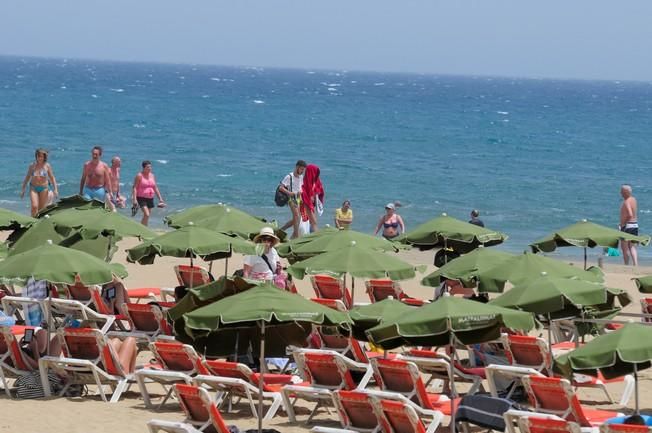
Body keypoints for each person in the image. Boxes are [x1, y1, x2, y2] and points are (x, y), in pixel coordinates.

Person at [20, 148, 59, 217]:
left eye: (42, 156)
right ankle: (32, 221)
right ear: (36, 156)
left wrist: (55, 189)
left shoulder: (47, 166)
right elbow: (27, 178)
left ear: (44, 157)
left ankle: (37, 223)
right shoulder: (32, 166)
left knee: (41, 209)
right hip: (33, 188)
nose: (40, 158)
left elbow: (52, 178)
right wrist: (23, 189)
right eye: (38, 156)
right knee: (34, 206)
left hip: (44, 188)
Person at [80, 145, 114, 211]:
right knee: (86, 208)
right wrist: (80, 191)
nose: (94, 156)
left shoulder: (104, 166)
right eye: (93, 154)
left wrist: (110, 192)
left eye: (96, 154)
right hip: (88, 190)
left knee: (98, 209)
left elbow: (107, 180)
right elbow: (83, 178)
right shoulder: (87, 165)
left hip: (99, 190)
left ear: (100, 155)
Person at [132, 160, 166, 226]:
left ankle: (144, 230)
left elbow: (155, 187)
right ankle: (142, 229)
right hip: (141, 198)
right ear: (144, 168)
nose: (150, 168)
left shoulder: (152, 175)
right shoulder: (139, 176)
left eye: (150, 167)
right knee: (146, 214)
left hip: (150, 198)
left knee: (147, 216)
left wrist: (160, 198)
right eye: (148, 167)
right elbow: (135, 188)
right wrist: (134, 199)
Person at [279, 160, 306, 239]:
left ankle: (282, 230)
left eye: (303, 170)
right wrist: (289, 193)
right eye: (301, 169)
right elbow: (281, 187)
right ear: (297, 167)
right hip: (291, 198)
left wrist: (302, 193)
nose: (302, 171)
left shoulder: (301, 177)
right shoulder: (289, 176)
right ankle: (296, 237)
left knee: (297, 219)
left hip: (299, 198)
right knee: (297, 216)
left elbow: (301, 187)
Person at [300, 164, 325, 233]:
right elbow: (304, 193)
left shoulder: (315, 181)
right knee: (313, 222)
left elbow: (319, 189)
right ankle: (316, 237)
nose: (316, 174)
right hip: (305, 203)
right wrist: (311, 195)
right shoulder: (305, 182)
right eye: (315, 172)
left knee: (312, 222)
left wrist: (314, 195)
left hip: (311, 204)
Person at [620, 184, 639, 266]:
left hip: (627, 225)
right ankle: (635, 264)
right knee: (632, 246)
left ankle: (626, 264)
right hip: (635, 225)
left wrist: (623, 223)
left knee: (624, 247)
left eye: (622, 191)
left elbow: (630, 214)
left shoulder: (626, 201)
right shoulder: (633, 200)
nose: (620, 193)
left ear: (625, 192)